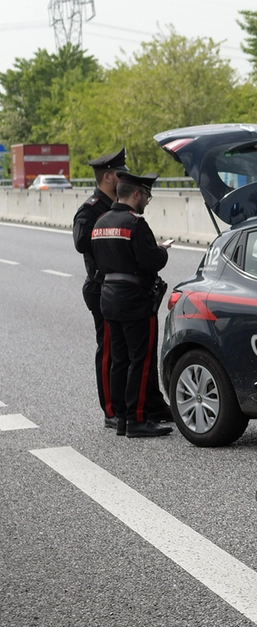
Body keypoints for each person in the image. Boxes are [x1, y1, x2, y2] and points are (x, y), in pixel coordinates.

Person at [91, 171, 173, 438]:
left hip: (109, 298)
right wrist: (161, 250)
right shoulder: (135, 223)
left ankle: (122, 419)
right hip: (135, 301)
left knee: (119, 360)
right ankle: (137, 420)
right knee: (141, 360)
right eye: (146, 195)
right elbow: (151, 261)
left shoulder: (101, 222)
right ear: (136, 194)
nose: (147, 201)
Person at [72, 148, 127, 428]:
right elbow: (81, 241)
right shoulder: (91, 209)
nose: (125, 177)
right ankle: (110, 410)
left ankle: (129, 404)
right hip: (101, 288)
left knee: (126, 349)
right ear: (108, 176)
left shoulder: (120, 205)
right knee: (108, 350)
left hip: (120, 289)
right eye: (120, 173)